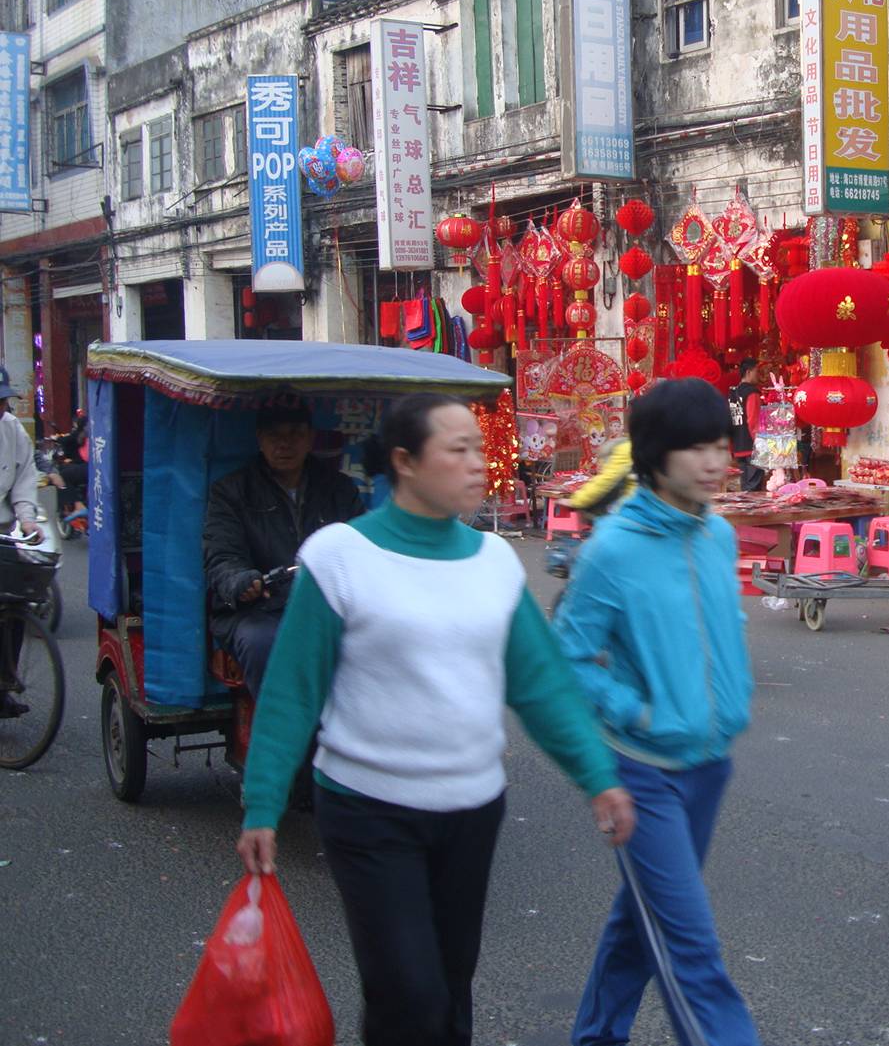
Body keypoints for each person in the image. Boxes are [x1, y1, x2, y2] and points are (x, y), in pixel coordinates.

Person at [236, 393, 635, 1046]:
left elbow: (540, 685)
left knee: (449, 994)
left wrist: (598, 775)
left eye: (479, 447)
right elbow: (292, 689)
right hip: (367, 810)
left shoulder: (493, 560)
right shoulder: (339, 554)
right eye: (460, 449)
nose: (481, 463)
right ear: (405, 462)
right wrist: (262, 803)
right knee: (409, 995)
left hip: (471, 809)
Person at [556, 378, 760, 1046]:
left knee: (640, 919)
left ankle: (594, 1036)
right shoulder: (611, 549)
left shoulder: (719, 535)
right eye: (694, 448)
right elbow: (570, 657)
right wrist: (635, 712)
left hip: (709, 764)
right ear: (653, 454)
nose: (713, 461)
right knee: (688, 943)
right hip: (644, 769)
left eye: (720, 446)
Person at [202, 402, 364, 698]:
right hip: (259, 611)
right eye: (274, 435)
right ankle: (279, 733)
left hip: (326, 604)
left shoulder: (339, 488)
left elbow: (360, 549)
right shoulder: (230, 491)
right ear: (260, 439)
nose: (284, 443)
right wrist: (241, 581)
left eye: (295, 433)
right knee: (266, 643)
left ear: (310, 438)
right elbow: (222, 557)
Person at [0, 366, 39, 720]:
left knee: (16, 605)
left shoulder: (12, 430)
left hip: (2, 530)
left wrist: (27, 518)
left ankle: (4, 683)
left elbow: (25, 478)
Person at [726, 358, 765, 492]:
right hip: (752, 447)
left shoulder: (732, 394)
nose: (758, 375)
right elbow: (753, 421)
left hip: (739, 447)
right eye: (757, 371)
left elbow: (730, 421)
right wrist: (760, 445)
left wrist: (731, 446)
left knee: (745, 488)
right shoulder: (752, 393)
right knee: (753, 489)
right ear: (749, 372)